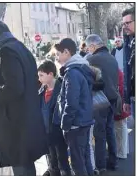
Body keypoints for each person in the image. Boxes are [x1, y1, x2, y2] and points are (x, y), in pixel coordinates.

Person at [0, 19, 48, 176]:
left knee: (22, 170)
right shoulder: (21, 48)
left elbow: (14, 88)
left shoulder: (5, 51)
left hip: (17, 126)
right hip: (27, 121)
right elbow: (24, 83)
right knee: (27, 168)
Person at [54, 38, 95, 176]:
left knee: (78, 163)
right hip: (83, 120)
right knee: (85, 159)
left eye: (58, 54)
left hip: (75, 124)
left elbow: (71, 103)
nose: (57, 58)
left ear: (66, 52)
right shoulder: (80, 68)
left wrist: (65, 124)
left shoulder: (72, 72)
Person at [85, 34, 119, 171]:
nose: (88, 50)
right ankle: (113, 161)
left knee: (99, 134)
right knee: (110, 130)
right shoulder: (112, 57)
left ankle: (100, 165)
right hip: (113, 98)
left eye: (89, 48)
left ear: (93, 46)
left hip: (100, 99)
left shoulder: (92, 59)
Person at [38, 60, 71, 176]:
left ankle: (65, 172)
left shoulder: (62, 88)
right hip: (46, 129)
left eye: (41, 75)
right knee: (50, 154)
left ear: (51, 74)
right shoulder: (41, 91)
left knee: (61, 155)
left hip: (58, 129)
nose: (39, 78)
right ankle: (53, 170)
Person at [122, 7, 135, 121]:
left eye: (128, 23)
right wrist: (126, 99)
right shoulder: (128, 41)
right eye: (123, 23)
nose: (125, 26)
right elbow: (128, 71)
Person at [114, 69, 130, 159]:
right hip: (122, 102)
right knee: (122, 127)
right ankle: (124, 150)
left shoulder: (116, 72)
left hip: (119, 103)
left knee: (120, 129)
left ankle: (122, 152)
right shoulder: (119, 71)